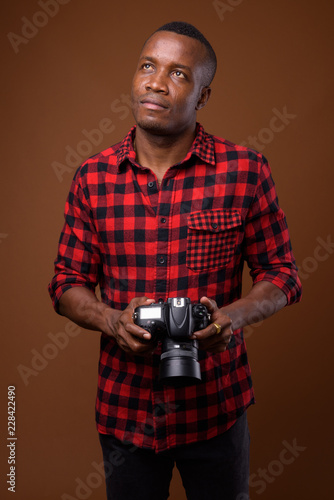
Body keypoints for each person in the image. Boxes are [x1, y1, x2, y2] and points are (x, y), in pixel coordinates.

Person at [48, 21, 302, 500]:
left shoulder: (245, 171)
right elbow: (66, 283)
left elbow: (282, 273)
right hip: (126, 411)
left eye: (179, 74)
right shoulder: (93, 178)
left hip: (217, 407)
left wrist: (230, 317)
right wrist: (111, 320)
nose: (156, 82)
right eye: (148, 65)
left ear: (203, 95)